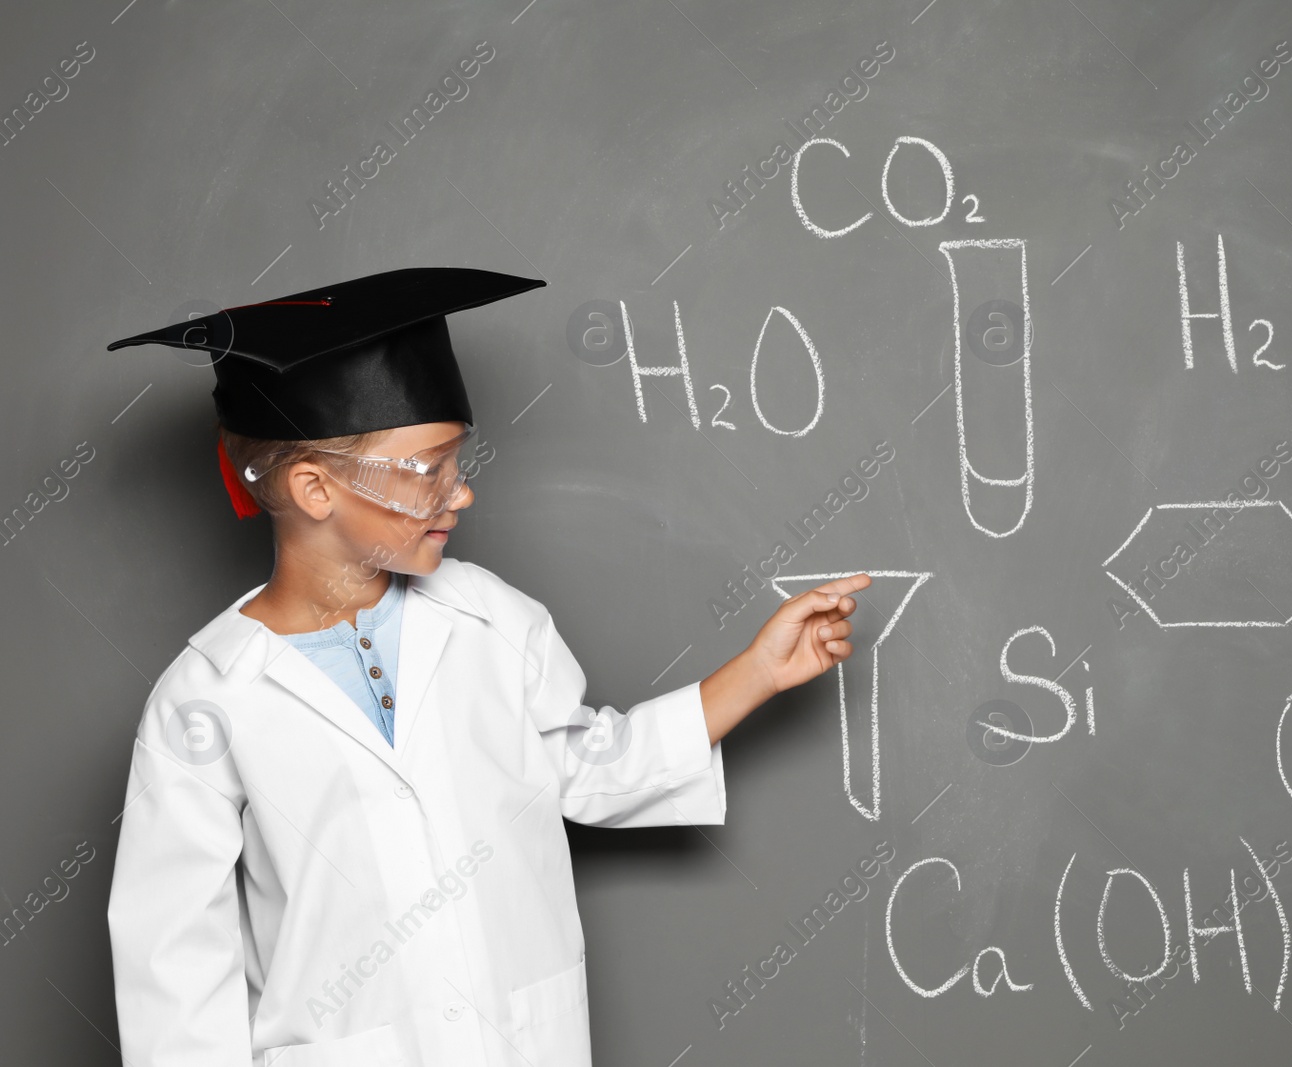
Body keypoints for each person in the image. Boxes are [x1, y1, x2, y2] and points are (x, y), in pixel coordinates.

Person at [103, 266, 869, 1066]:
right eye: (426, 469)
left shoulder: (489, 616)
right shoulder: (204, 701)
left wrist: (757, 672)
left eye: (455, 462)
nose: (458, 493)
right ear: (314, 487)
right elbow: (174, 970)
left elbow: (583, 763)